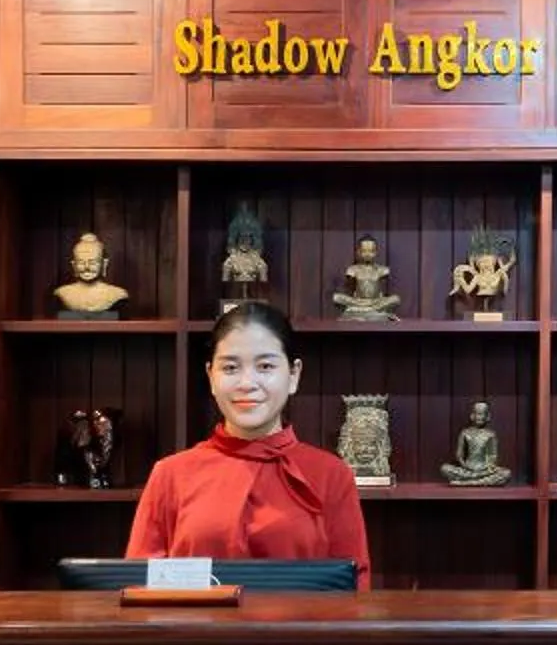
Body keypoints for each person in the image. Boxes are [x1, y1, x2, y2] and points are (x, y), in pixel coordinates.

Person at [127, 302, 371, 587]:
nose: (247, 383)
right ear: (211, 377)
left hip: (302, 619)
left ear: (294, 375)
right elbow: (140, 588)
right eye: (230, 368)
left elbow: (354, 588)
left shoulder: (332, 475)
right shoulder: (170, 475)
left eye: (265, 366)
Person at [50, 230, 130, 316]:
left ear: (104, 264)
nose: (87, 267)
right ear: (74, 265)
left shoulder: (116, 294)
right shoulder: (63, 293)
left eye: (93, 263)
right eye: (81, 262)